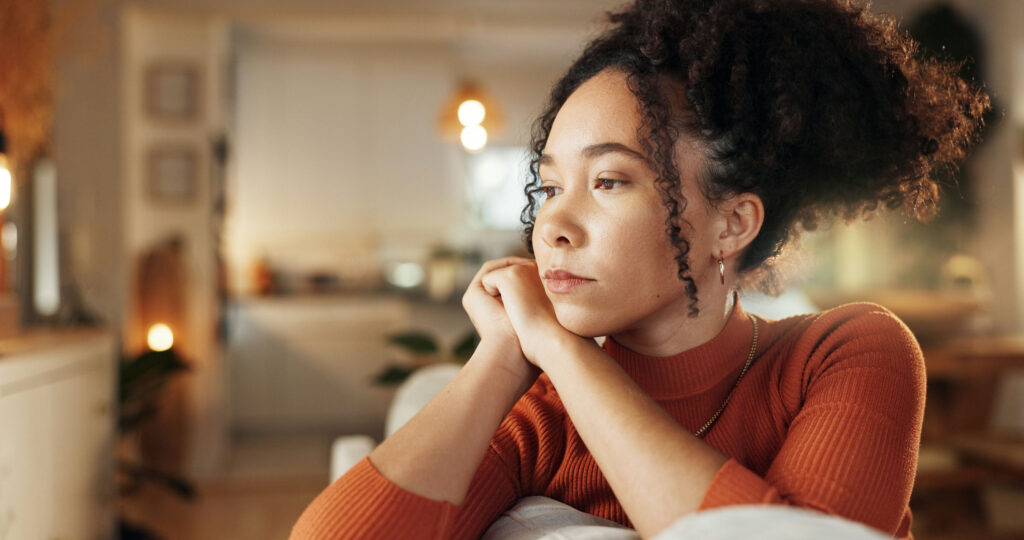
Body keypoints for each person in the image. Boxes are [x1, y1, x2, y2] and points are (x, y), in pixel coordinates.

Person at [291, 0, 989, 538]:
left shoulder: (846, 353)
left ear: (732, 223)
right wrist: (504, 355)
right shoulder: (540, 418)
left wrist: (561, 353)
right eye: (549, 187)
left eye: (610, 182)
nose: (551, 227)